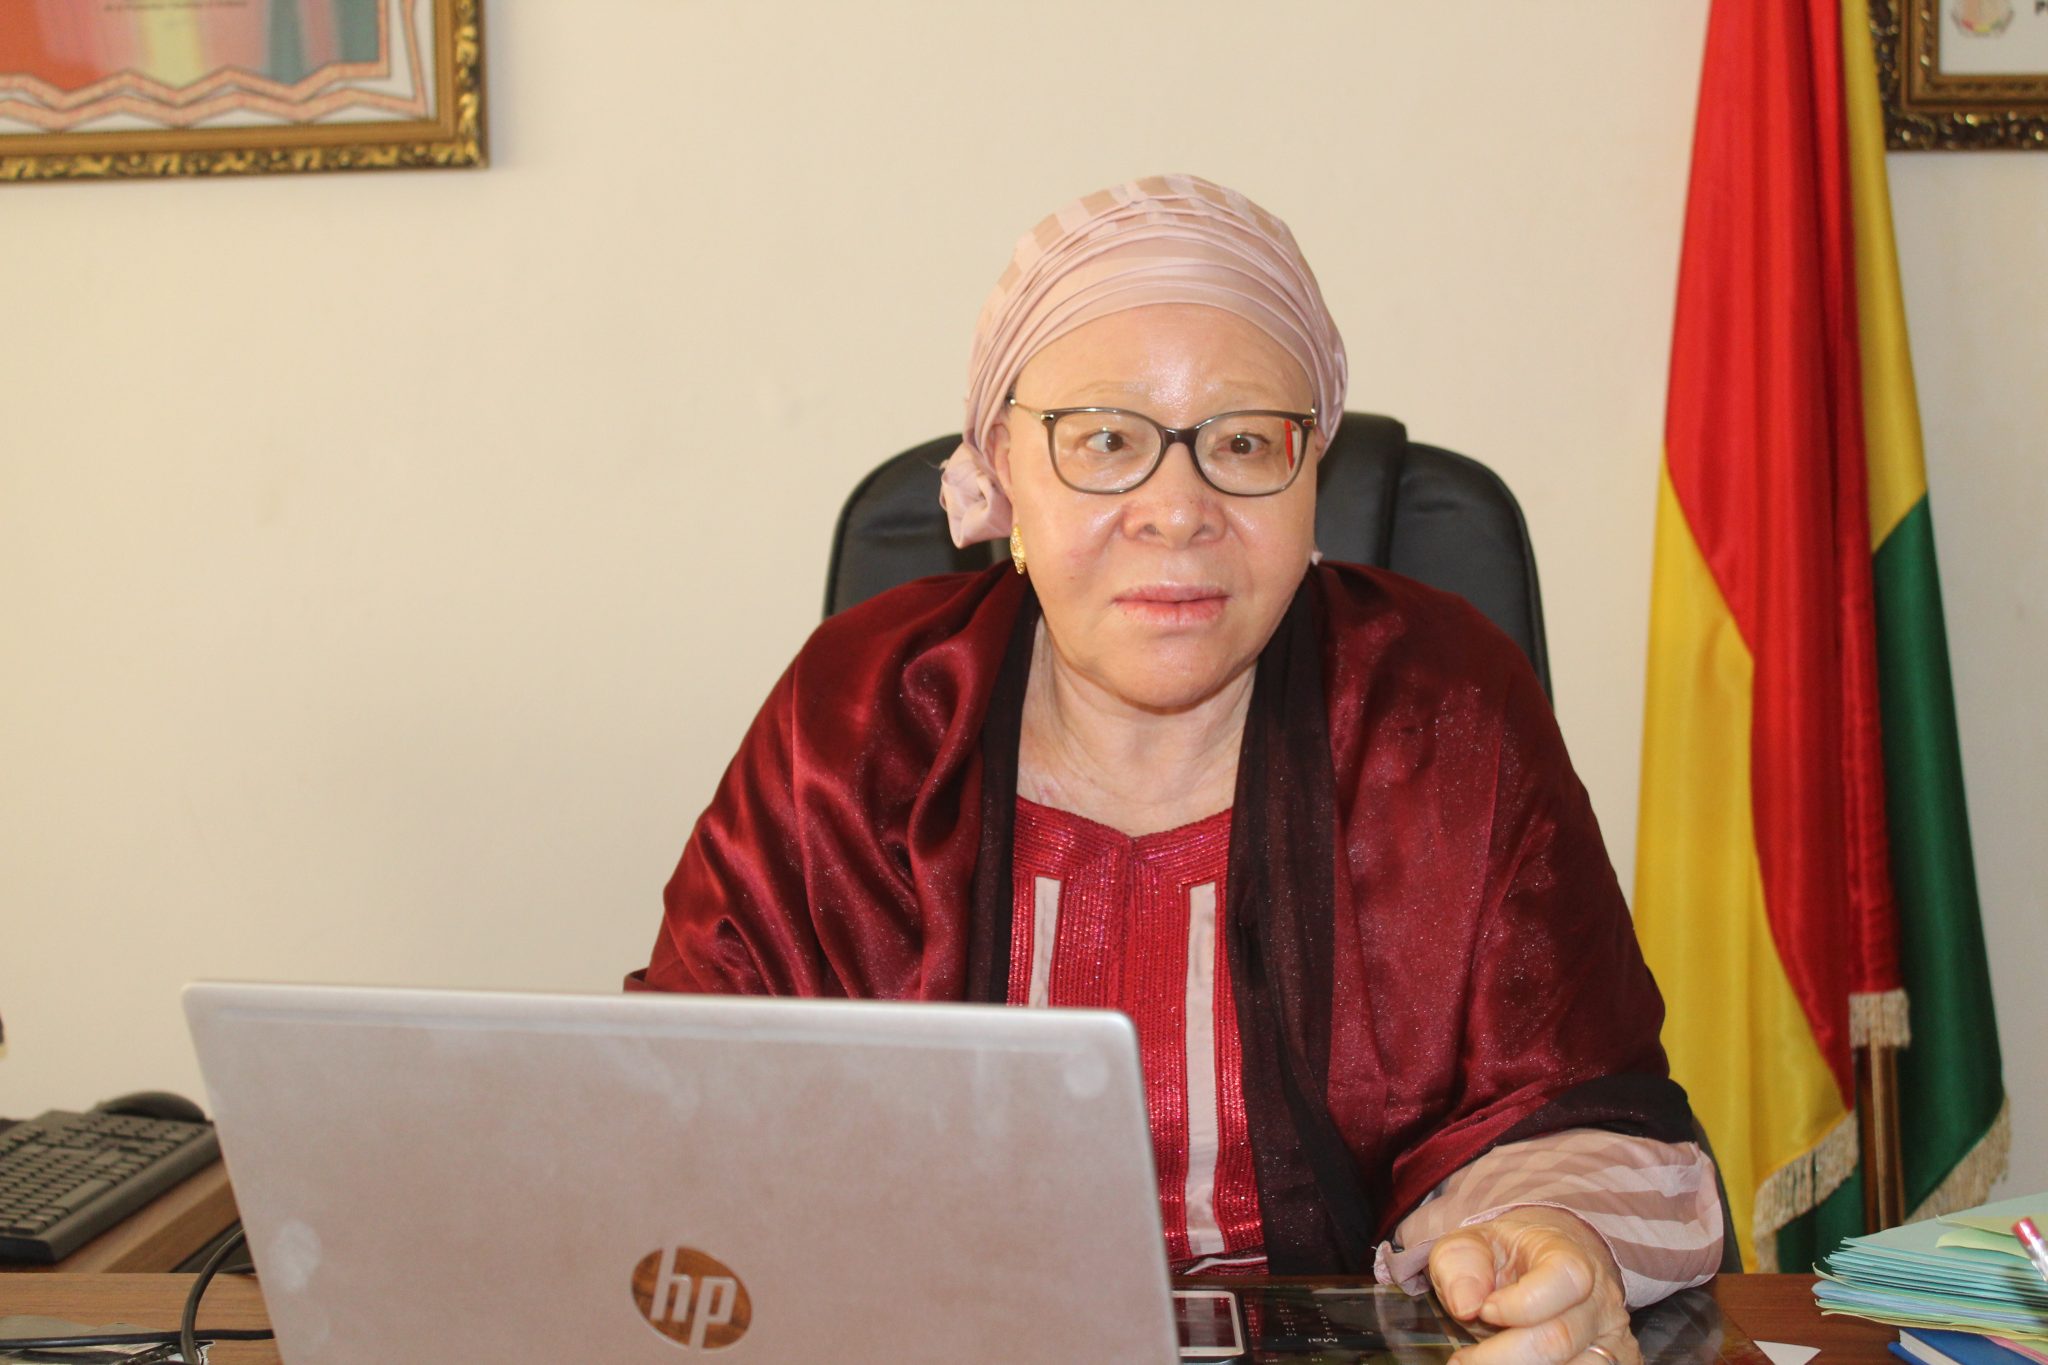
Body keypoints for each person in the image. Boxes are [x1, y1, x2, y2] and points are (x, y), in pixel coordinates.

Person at [629, 174, 1724, 1365]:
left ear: (1312, 473)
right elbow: (686, 1098)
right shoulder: (860, 712)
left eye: (1243, 443)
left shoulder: (1442, 710)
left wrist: (1544, 1239)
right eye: (1105, 440)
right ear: (1003, 463)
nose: (1175, 509)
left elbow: (1571, 1107)